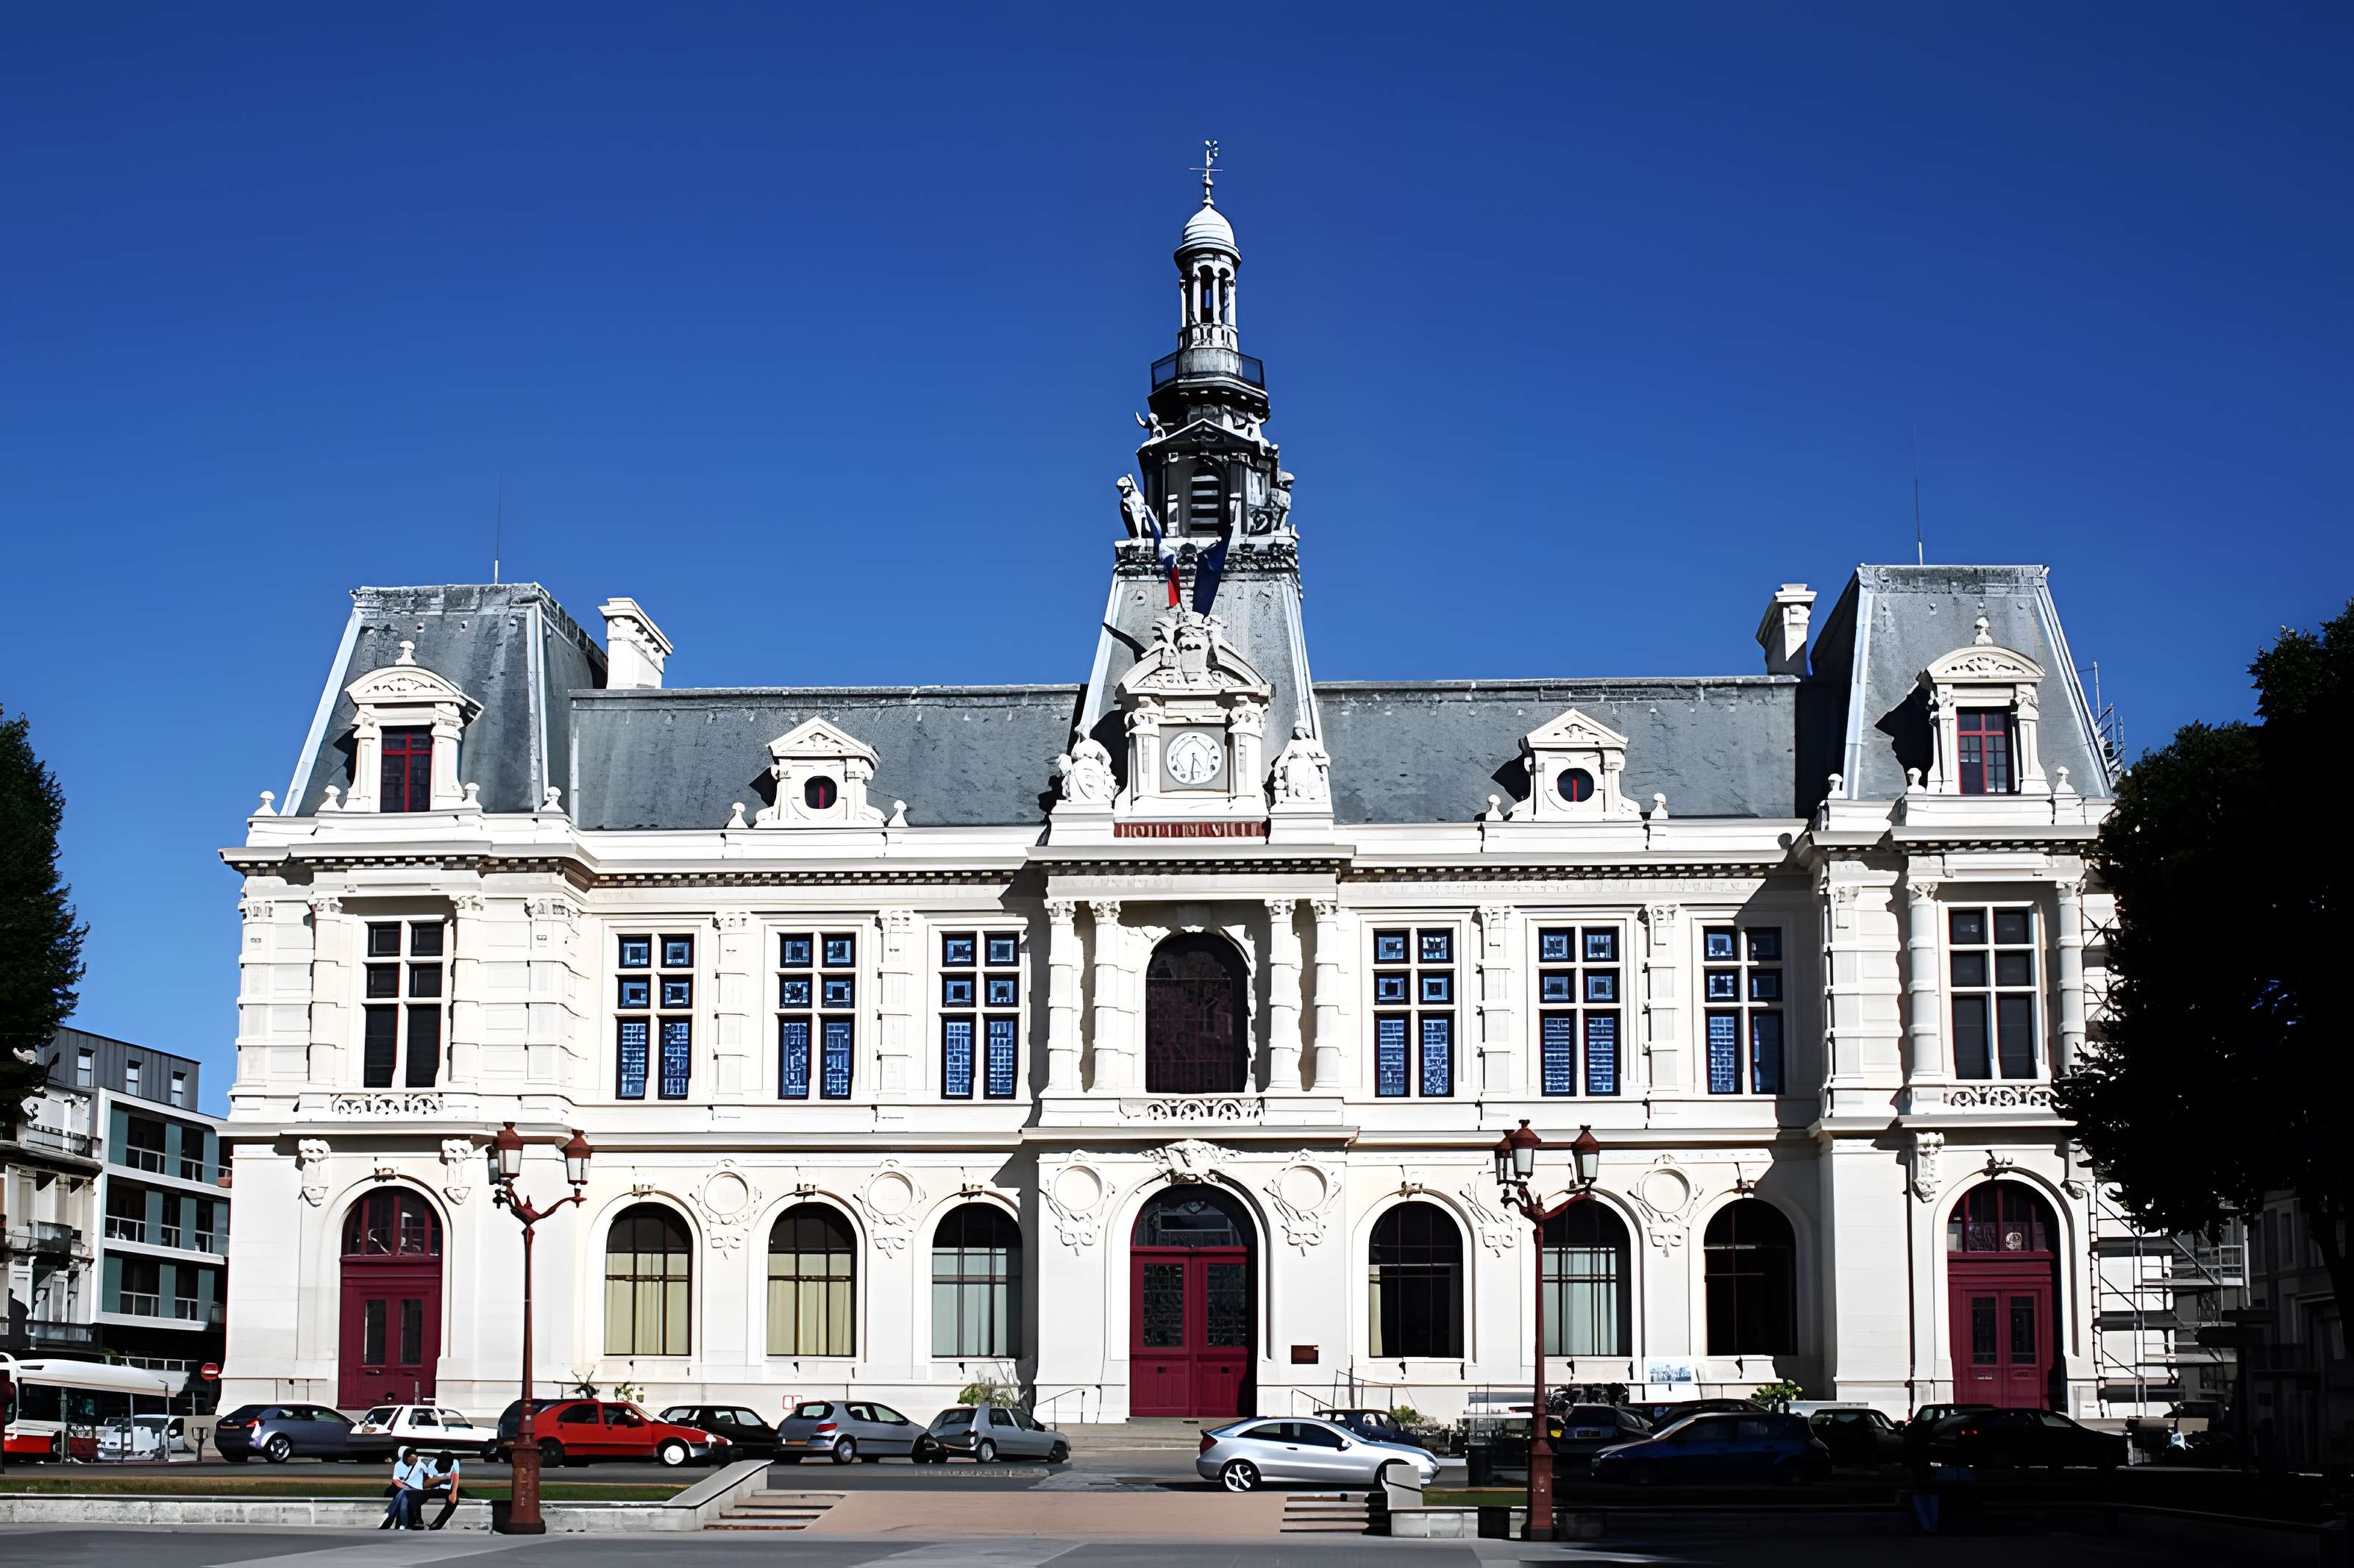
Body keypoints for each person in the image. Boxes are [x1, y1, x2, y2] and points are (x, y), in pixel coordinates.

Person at [381, 1444, 430, 1530]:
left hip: (414, 1489)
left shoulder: (419, 1464)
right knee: (404, 1499)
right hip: (405, 1489)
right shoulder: (399, 1465)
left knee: (403, 1498)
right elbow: (396, 1481)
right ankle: (405, 1523)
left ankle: (393, 1518)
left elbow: (428, 1476)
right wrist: (406, 1487)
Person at [424, 1449, 462, 1530]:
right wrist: (442, 1479)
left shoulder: (455, 1462)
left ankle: (437, 1524)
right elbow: (428, 1483)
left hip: (446, 1490)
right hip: (433, 1488)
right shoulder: (433, 1464)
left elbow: (456, 1477)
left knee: (454, 1501)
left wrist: (454, 1493)